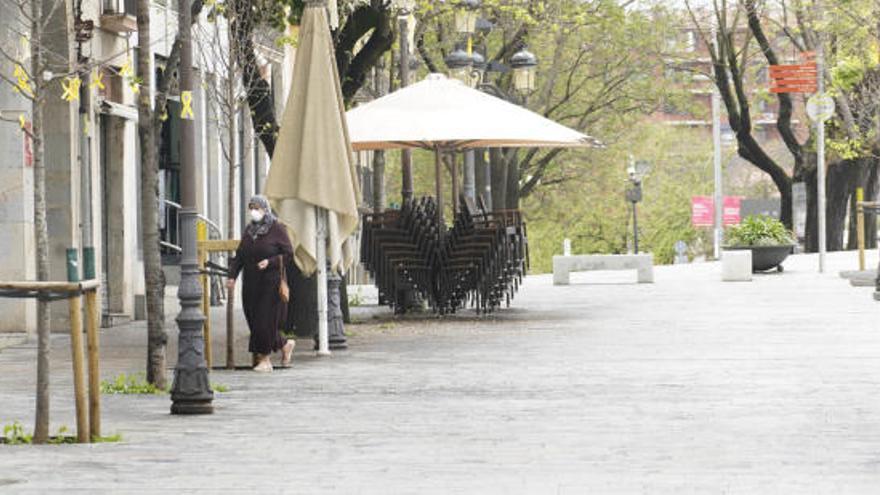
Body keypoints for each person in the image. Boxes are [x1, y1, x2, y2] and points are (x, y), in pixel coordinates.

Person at [227, 195, 295, 372]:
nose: (254, 211)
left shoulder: (277, 228)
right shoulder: (249, 230)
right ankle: (285, 344)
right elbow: (240, 256)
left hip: (270, 283)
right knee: (253, 319)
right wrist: (232, 276)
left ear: (265, 209)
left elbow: (288, 254)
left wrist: (270, 262)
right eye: (251, 208)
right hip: (251, 283)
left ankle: (265, 359)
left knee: (263, 320)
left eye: (257, 208)